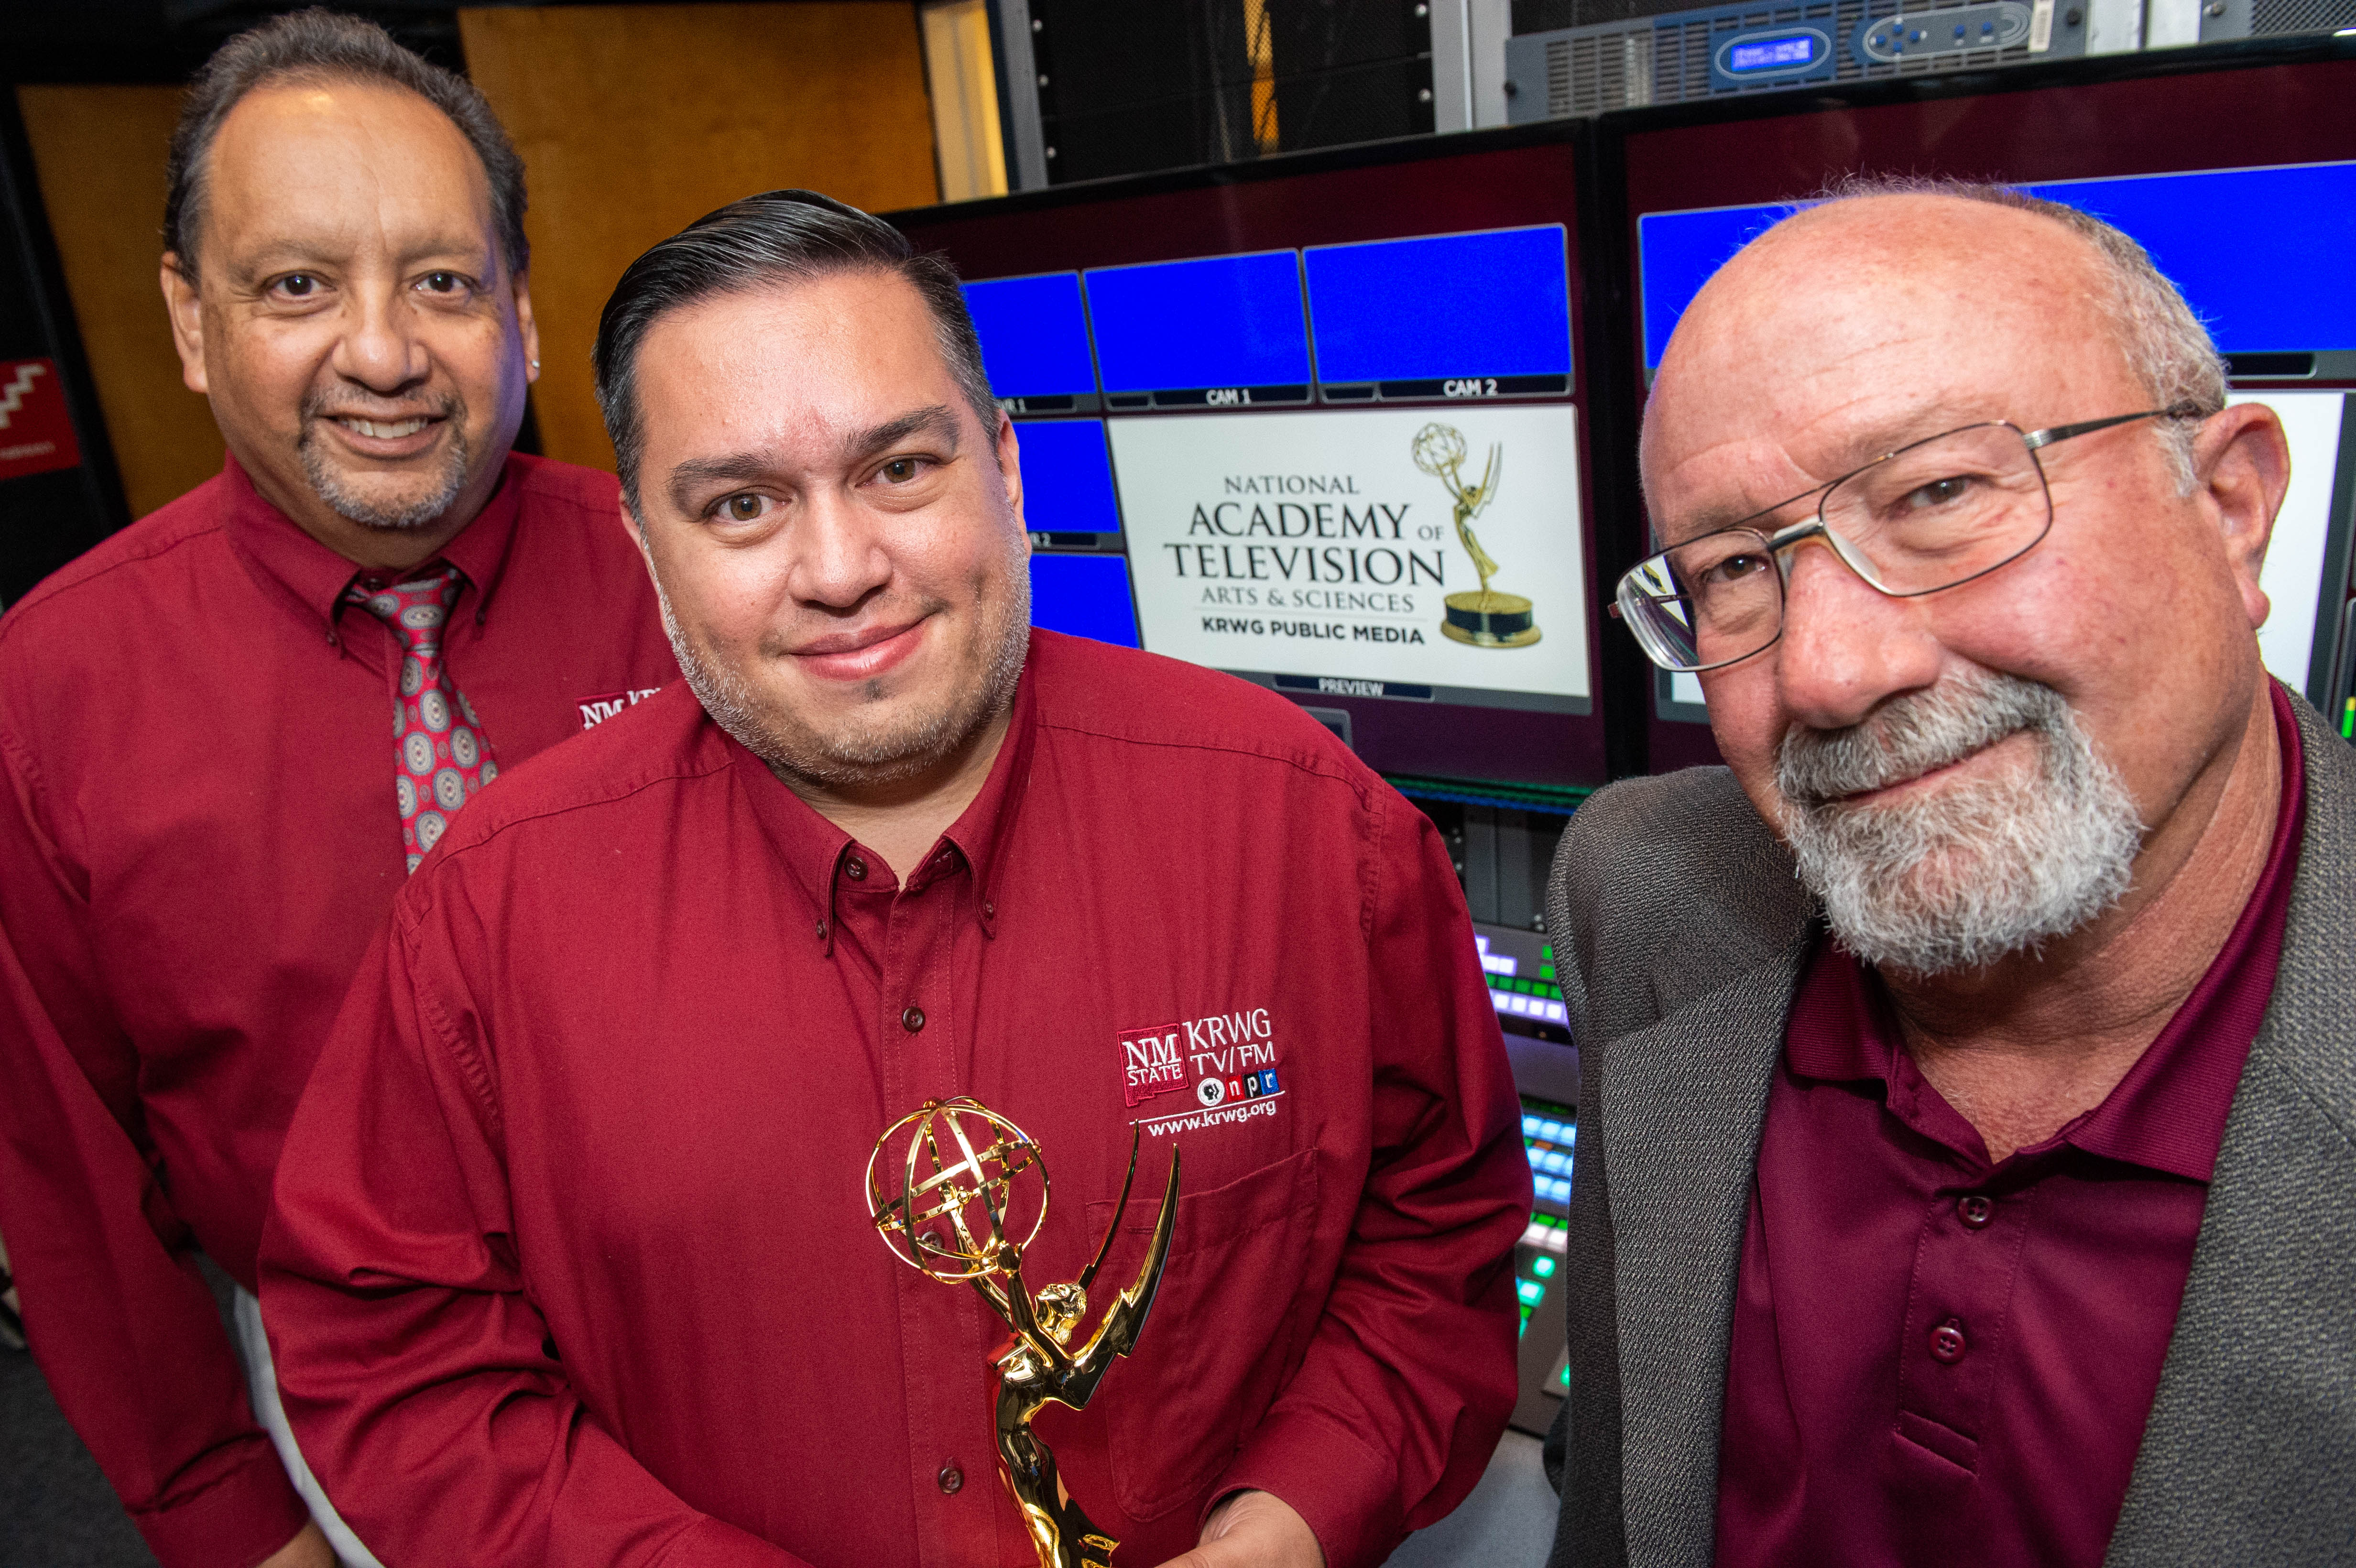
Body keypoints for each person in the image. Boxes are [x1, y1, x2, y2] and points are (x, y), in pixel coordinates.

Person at [258, 189, 1531, 1568]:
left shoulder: (1309, 832)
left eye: (901, 471)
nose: (842, 569)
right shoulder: (493, 914)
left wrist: (1294, 1523)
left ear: (1006, 467)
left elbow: (1437, 1248)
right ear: (644, 546)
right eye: (741, 504)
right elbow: (399, 1363)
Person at [1540, 176, 2352, 1568]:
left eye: (1939, 493)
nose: (1831, 672)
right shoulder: (1647, 889)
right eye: (1736, 568)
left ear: (2229, 506)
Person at [0, 13, 675, 1568]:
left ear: (518, 306)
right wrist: (233, 1523)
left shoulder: (687, 574)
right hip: (343, 1396)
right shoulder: (54, 689)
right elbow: (70, 1180)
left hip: (741, 1320)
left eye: (443, 281)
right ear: (189, 318)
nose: (383, 352)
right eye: (297, 285)